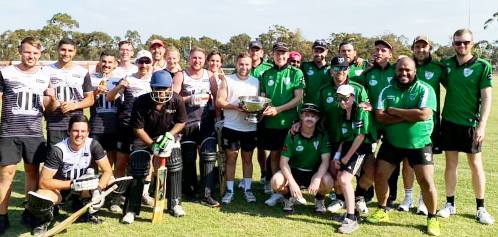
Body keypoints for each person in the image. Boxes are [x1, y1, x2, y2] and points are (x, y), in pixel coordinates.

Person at [366, 57, 440, 236]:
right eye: (400, 70)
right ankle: (383, 210)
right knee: (380, 175)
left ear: (415, 71)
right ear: (395, 71)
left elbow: (423, 114)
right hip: (392, 143)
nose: (404, 73)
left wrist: (395, 111)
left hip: (419, 144)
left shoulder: (425, 89)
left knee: (426, 182)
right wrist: (409, 115)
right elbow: (380, 117)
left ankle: (432, 218)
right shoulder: (386, 90)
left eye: (408, 70)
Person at [437, 29, 494, 225]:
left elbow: (487, 98)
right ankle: (450, 204)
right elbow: (423, 65)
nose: (462, 46)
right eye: (458, 43)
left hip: (471, 124)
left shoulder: (482, 66)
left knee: (475, 165)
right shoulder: (446, 65)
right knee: (450, 165)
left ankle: (481, 208)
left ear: (472, 43)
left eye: (466, 42)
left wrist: (482, 125)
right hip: (449, 122)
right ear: (453, 44)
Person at [0, 37, 56, 235]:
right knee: (6, 175)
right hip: (10, 132)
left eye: (34, 53)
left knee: (33, 173)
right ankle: (2, 216)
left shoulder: (45, 74)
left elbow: (48, 107)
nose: (30, 56)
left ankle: (29, 212)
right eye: (27, 52)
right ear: (20, 52)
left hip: (33, 133)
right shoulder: (6, 73)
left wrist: (51, 97)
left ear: (40, 54)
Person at [23, 115, 113, 235]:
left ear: (88, 132)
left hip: (83, 188)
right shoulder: (58, 150)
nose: (79, 135)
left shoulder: (93, 145)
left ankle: (86, 211)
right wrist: (72, 184)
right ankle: (43, 220)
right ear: (69, 131)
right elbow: (43, 182)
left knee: (110, 180)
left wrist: (98, 190)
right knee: (41, 197)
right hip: (59, 189)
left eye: (83, 131)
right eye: (75, 130)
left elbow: (107, 171)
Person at [122, 70, 187, 223]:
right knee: (138, 165)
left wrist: (170, 135)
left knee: (175, 162)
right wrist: (152, 145)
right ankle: (131, 209)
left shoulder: (177, 100)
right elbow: (138, 129)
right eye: (158, 88)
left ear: (170, 88)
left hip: (167, 136)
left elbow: (181, 121)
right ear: (151, 87)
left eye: (164, 88)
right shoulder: (141, 101)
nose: (161, 92)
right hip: (145, 137)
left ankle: (175, 204)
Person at [315, 56, 374, 216]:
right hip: (337, 138)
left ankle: (357, 200)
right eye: (336, 68)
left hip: (358, 142)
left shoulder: (358, 88)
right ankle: (342, 199)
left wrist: (369, 106)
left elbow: (365, 109)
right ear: (331, 70)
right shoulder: (324, 90)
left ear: (348, 69)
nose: (339, 71)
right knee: (338, 174)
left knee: (367, 174)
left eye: (343, 68)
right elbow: (318, 115)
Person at [398, 35, 446, 215]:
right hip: (405, 123)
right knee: (407, 162)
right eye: (417, 47)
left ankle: (422, 201)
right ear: (413, 48)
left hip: (429, 124)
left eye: (424, 47)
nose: (421, 50)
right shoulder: (406, 66)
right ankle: (408, 197)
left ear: (430, 48)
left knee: (425, 164)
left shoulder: (438, 68)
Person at [106, 50, 153, 211]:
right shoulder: (127, 79)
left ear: (151, 63)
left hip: (145, 128)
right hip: (126, 126)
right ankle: (117, 196)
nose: (144, 65)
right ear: (136, 62)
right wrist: (120, 86)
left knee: (146, 163)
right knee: (121, 163)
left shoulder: (154, 81)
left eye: (147, 62)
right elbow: (109, 98)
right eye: (141, 61)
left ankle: (143, 193)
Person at [172, 47, 219, 207]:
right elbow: (174, 98)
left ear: (204, 60)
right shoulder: (181, 75)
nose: (197, 61)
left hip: (206, 121)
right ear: (189, 58)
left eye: (200, 58)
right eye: (194, 58)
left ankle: (207, 194)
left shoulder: (210, 75)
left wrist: (218, 118)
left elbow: (217, 97)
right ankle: (190, 190)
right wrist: (189, 99)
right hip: (187, 122)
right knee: (189, 157)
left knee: (208, 156)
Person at [260, 42, 304, 206]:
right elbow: (263, 98)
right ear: (273, 54)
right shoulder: (266, 74)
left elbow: (298, 98)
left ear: (287, 55)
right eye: (278, 53)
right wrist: (262, 110)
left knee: (289, 157)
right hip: (271, 123)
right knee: (274, 156)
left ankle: (292, 190)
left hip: (289, 123)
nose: (281, 56)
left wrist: (278, 109)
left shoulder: (296, 72)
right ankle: (276, 191)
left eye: (284, 53)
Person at [357, 39, 399, 208]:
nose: (379, 52)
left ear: (390, 54)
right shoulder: (368, 73)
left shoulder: (396, 71)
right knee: (366, 158)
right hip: (372, 122)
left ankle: (390, 197)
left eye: (383, 50)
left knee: (391, 161)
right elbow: (356, 87)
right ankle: (364, 195)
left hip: (390, 122)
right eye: (377, 50)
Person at [270, 103, 333, 214]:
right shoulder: (292, 135)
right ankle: (288, 197)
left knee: (328, 182)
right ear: (301, 117)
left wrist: (317, 178)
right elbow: (283, 163)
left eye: (313, 116)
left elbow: (325, 161)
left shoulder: (322, 135)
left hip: (313, 172)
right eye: (307, 115)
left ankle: (319, 199)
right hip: (294, 171)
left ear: (318, 118)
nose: (310, 118)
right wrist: (292, 183)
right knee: (276, 182)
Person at [332, 84, 376, 234]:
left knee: (344, 179)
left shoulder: (361, 111)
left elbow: (360, 137)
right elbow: (343, 140)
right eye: (339, 99)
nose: (343, 102)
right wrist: (338, 157)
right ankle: (352, 213)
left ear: (352, 97)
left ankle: (351, 218)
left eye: (345, 98)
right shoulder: (342, 114)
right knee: (340, 179)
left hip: (361, 148)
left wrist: (346, 158)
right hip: (348, 148)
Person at [216, 52, 259, 204]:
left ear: (251, 65)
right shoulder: (228, 80)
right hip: (231, 126)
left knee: (247, 159)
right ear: (236, 63)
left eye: (247, 64)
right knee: (231, 159)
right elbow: (219, 101)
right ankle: (230, 190)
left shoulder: (256, 82)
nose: (244, 67)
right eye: (241, 64)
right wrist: (235, 107)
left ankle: (247, 189)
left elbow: (260, 102)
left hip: (250, 127)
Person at [44, 38, 95, 146]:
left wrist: (73, 105)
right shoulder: (46, 70)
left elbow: (90, 99)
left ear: (75, 52)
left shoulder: (82, 72)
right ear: (58, 50)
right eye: (63, 50)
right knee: (55, 158)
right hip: (55, 124)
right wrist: (53, 103)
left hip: (76, 125)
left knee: (76, 159)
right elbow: (43, 98)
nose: (66, 53)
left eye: (70, 50)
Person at [248, 39, 273, 191]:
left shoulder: (268, 68)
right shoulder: (244, 66)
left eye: (257, 50)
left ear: (262, 52)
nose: (254, 52)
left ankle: (266, 174)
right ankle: (258, 174)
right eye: (252, 49)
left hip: (265, 113)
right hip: (247, 112)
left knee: (264, 146)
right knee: (252, 147)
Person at [89, 51, 121, 167]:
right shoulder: (91, 79)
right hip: (96, 125)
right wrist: (95, 92)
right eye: (104, 61)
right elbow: (85, 100)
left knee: (111, 159)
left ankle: (108, 182)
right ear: (99, 62)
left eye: (110, 62)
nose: (106, 64)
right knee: (93, 158)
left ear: (115, 64)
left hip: (113, 125)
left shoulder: (119, 80)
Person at [301, 39, 330, 105]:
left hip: (326, 106)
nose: (318, 54)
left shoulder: (331, 69)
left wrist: (356, 59)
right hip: (308, 105)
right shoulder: (304, 66)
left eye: (321, 51)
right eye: (316, 51)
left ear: (326, 52)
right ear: (312, 51)